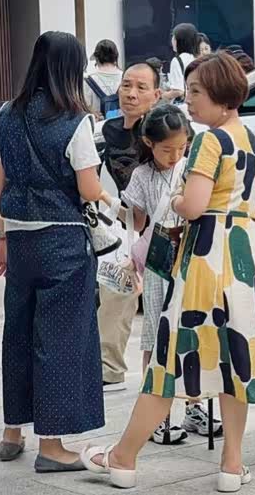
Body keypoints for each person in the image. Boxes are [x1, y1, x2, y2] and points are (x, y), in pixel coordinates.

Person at [83, 51, 255, 492]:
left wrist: (176, 202)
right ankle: (232, 466)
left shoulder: (210, 141)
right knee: (236, 362)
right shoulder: (251, 140)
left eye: (195, 92)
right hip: (247, 263)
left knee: (170, 358)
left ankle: (123, 458)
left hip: (205, 262)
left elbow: (192, 206)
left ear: (220, 95)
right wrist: (238, 234)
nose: (188, 99)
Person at [0, 31, 106, 471]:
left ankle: (11, 432)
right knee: (60, 340)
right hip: (62, 239)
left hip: (20, 239)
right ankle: (52, 447)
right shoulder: (75, 120)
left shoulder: (4, 115)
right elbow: (88, 189)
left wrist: (3, 236)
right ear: (70, 69)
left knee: (18, 334)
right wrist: (109, 199)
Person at [101, 104, 193, 445]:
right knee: (155, 336)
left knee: (192, 333)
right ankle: (156, 414)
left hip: (190, 261)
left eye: (181, 148)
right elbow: (137, 223)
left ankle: (195, 405)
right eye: (167, 149)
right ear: (149, 143)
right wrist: (110, 201)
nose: (174, 156)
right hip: (157, 264)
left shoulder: (191, 168)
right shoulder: (141, 175)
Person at [98, 59, 163, 394]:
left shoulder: (163, 131)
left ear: (157, 94)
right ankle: (109, 369)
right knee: (115, 290)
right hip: (124, 225)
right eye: (126, 85)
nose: (131, 94)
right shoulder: (107, 131)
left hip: (161, 229)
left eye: (141, 87)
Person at [222, 44, 255, 263]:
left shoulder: (215, 138)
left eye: (196, 90)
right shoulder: (245, 134)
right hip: (251, 240)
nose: (189, 99)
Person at [84, 39, 123, 120]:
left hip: (99, 125)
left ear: (96, 59)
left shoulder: (87, 81)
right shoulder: (126, 78)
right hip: (123, 124)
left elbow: (83, 109)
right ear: (116, 58)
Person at [163, 23, 199, 103]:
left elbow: (178, 91)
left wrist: (163, 95)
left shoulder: (177, 60)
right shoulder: (197, 59)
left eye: (174, 37)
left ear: (180, 41)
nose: (172, 41)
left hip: (182, 105)